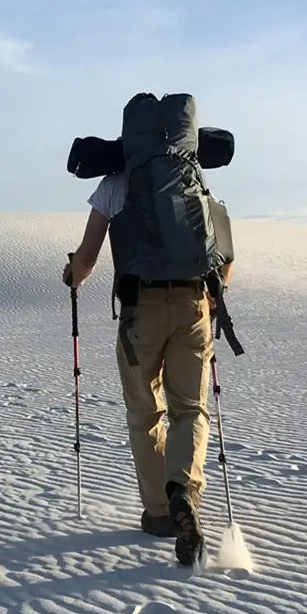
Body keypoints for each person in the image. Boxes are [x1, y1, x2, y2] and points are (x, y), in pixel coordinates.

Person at [62, 172, 235, 567]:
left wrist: (72, 275)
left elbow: (86, 261)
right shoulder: (192, 178)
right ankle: (185, 492)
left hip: (141, 312)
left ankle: (160, 513)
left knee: (144, 414)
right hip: (192, 307)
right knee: (190, 408)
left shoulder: (114, 186)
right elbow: (225, 258)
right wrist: (209, 302)